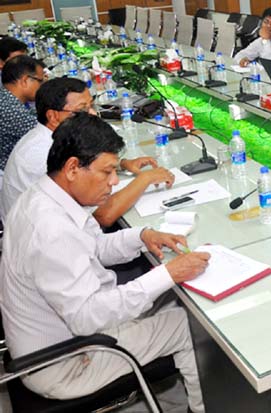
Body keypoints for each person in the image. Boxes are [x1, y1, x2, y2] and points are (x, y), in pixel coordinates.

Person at [0, 113, 210, 412]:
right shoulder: (50, 229)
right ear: (73, 167)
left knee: (169, 298)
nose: (114, 182)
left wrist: (142, 236)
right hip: (67, 364)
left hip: (61, 339)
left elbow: (92, 247)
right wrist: (168, 273)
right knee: (189, 323)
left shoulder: (43, 196)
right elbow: (88, 317)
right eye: (107, 172)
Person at [0, 77, 175, 225]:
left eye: (91, 106)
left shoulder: (54, 139)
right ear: (53, 116)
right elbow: (102, 215)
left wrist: (121, 164)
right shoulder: (41, 153)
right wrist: (145, 179)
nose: (92, 114)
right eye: (81, 110)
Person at [0, 55, 44, 188]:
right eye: (40, 81)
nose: (42, 86)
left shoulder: (6, 97)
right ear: (24, 80)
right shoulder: (11, 110)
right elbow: (47, 132)